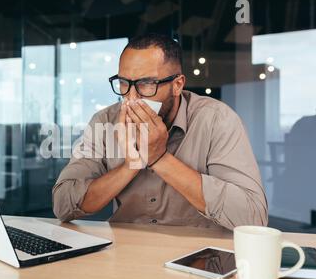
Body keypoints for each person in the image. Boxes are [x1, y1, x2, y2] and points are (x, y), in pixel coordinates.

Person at [52, 33, 268, 230]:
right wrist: (131, 164)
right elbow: (63, 206)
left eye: (146, 84)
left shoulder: (216, 120)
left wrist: (159, 158)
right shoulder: (105, 121)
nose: (132, 97)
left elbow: (252, 216)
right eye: (124, 83)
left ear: (177, 84)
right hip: (128, 254)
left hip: (200, 258)